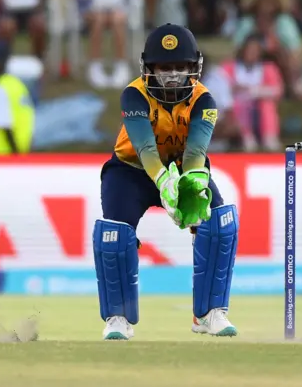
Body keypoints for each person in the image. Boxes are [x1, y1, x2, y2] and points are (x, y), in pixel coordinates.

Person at [93, 23, 239, 340]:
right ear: (150, 69)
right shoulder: (134, 95)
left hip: (183, 167)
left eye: (179, 67)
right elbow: (145, 149)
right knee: (114, 233)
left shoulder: (204, 100)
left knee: (219, 222)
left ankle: (209, 313)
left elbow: (196, 152)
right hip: (131, 171)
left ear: (193, 68)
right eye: (165, 67)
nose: (172, 75)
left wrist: (187, 184)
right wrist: (164, 184)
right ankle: (117, 318)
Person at [0, 41, 35, 155]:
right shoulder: (18, 86)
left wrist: (15, 158)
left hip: (2, 156)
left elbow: (5, 127)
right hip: (22, 152)